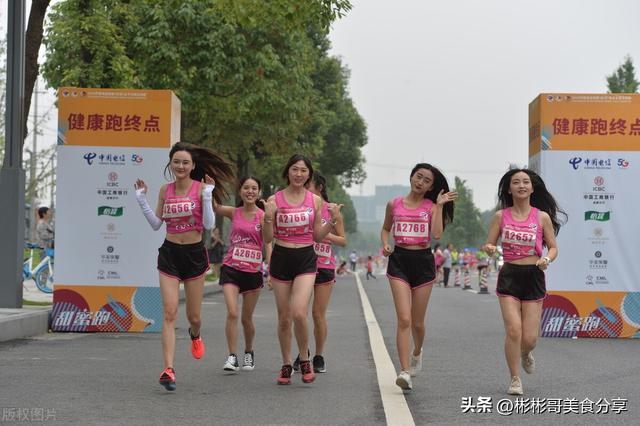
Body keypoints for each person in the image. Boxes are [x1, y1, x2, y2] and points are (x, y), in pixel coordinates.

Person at [134, 141, 234, 391]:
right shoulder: (165, 190)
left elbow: (209, 225)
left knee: (194, 316)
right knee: (168, 313)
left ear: (192, 166)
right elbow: (157, 224)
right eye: (176, 161)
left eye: (185, 162)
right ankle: (168, 369)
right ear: (171, 163)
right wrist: (142, 200)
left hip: (194, 255)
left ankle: (195, 334)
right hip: (169, 253)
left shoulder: (201, 189)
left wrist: (209, 194)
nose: (180, 166)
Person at [484, 168, 566, 396]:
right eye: (516, 182)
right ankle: (514, 379)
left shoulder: (541, 217)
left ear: (532, 187)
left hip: (534, 276)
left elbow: (553, 247)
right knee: (513, 330)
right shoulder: (501, 216)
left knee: (529, 338)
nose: (521, 185)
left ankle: (525, 353)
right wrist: (490, 248)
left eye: (525, 182)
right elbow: (488, 243)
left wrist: (546, 258)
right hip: (509, 276)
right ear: (509, 189)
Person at [263, 154, 343, 385]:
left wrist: (333, 220)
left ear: (309, 175)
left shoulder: (314, 201)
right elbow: (268, 238)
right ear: (287, 172)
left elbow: (318, 235)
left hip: (306, 258)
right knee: (284, 318)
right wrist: (268, 218)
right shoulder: (274, 200)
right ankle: (287, 362)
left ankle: (305, 357)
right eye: (295, 169)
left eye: (303, 171)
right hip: (281, 257)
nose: (298, 174)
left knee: (299, 312)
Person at [381, 163, 457, 391]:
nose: (420, 182)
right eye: (418, 176)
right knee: (403, 319)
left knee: (417, 322)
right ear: (411, 177)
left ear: (431, 187)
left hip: (423, 263)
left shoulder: (431, 207)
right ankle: (404, 371)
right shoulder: (393, 204)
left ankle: (417, 351)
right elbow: (386, 229)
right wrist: (385, 244)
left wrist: (441, 206)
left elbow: (435, 234)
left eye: (426, 181)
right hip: (399, 262)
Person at [214, 176, 272, 373]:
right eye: (246, 188)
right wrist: (208, 188)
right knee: (232, 312)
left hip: (252, 271)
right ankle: (232, 356)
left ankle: (249, 352)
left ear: (259, 192)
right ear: (240, 191)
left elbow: (268, 242)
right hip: (231, 267)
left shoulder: (264, 215)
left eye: (254, 188)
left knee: (247, 319)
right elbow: (214, 206)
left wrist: (270, 269)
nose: (250, 191)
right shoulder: (234, 212)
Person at [292, 172, 347, 374]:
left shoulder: (331, 210)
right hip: (302, 263)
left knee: (318, 314)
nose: (305, 188)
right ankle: (302, 352)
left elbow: (343, 240)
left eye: (309, 185)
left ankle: (319, 356)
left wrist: (325, 232)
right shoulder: (300, 207)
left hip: (324, 265)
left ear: (320, 188)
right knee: (299, 312)